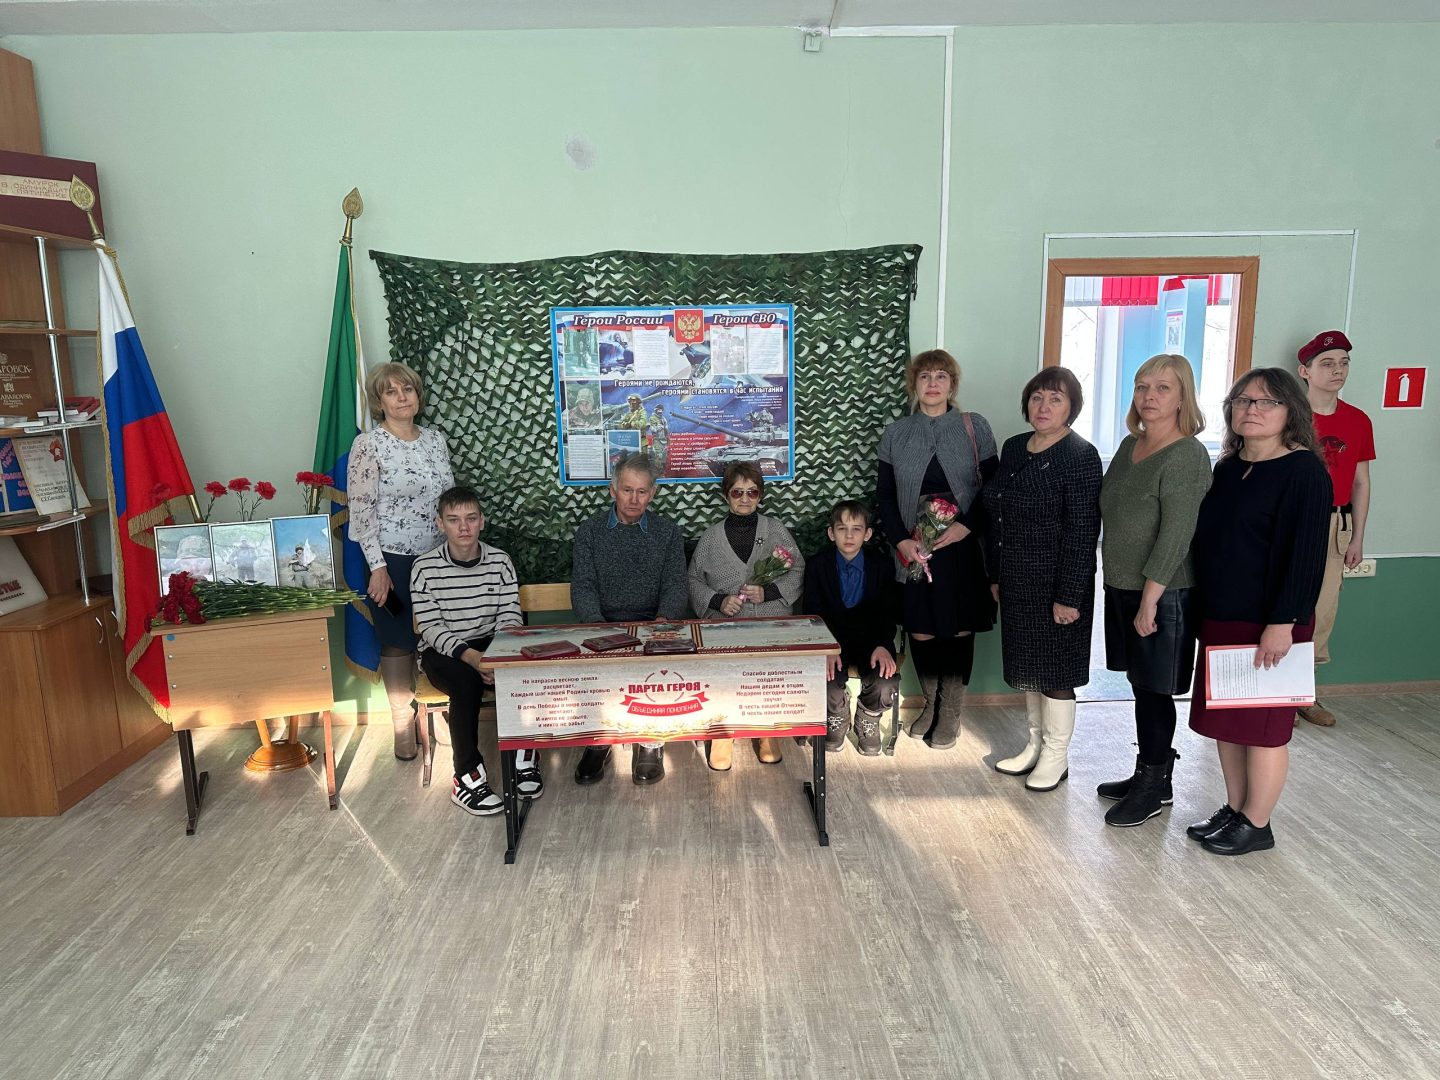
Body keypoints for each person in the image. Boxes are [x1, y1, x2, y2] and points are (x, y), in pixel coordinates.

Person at [1186, 368, 1331, 856]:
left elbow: (1306, 557)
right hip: (1224, 615)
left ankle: (1257, 823)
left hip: (1272, 623)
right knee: (1229, 725)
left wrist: (1282, 623)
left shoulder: (1304, 472)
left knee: (1265, 731)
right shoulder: (1228, 468)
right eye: (1243, 400)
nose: (1252, 409)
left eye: (1267, 402)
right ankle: (1235, 809)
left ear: (1292, 411)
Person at [1095, 355, 1212, 826]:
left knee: (1156, 690)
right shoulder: (1131, 445)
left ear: (1183, 397)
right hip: (1123, 585)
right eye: (1142, 386)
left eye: (1163, 388)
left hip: (1165, 593)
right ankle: (1152, 774)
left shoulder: (1187, 455)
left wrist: (1150, 600)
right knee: (1140, 686)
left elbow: (1176, 534)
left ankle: (1152, 785)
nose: (1149, 396)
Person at [982, 367, 1102, 792]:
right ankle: (1034, 745)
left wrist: (1069, 596)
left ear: (1072, 407)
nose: (1044, 406)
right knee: (1028, 668)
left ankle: (1056, 754)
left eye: (1055, 398)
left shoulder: (1081, 455)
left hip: (1058, 585)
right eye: (1037, 397)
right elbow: (997, 515)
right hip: (1016, 579)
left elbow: (1083, 532)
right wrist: (996, 574)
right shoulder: (1016, 447)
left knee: (1056, 673)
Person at [876, 349, 997, 751]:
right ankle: (931, 705)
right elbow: (885, 496)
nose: (932, 383)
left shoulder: (974, 426)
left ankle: (951, 712)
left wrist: (966, 526)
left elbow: (993, 487)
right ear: (914, 383)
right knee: (921, 628)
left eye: (941, 376)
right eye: (924, 376)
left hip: (962, 547)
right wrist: (901, 540)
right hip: (915, 546)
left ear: (952, 384)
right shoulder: (896, 433)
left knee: (958, 628)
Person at [348, 361, 455, 760]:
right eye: (391, 392)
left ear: (417, 395)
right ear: (379, 402)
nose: (401, 397)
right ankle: (401, 724)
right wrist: (377, 567)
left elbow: (447, 500)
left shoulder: (435, 440)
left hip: (439, 560)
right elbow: (361, 512)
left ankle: (443, 714)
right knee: (398, 641)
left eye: (407, 389)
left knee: (439, 634)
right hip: (391, 561)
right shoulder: (369, 445)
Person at [410, 486, 531, 816]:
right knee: (466, 682)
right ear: (440, 524)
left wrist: (497, 658)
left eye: (471, 518)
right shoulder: (424, 568)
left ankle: (525, 759)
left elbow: (509, 616)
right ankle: (467, 778)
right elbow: (431, 628)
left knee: (524, 671)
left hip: (492, 643)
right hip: (443, 651)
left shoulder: (500, 561)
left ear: (482, 521)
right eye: (453, 520)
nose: (463, 527)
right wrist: (473, 659)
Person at [571, 453, 689, 785]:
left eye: (641, 491)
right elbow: (583, 585)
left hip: (653, 623)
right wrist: (598, 625)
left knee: (659, 666)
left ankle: (650, 742)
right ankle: (599, 740)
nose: (634, 499)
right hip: (603, 622)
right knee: (594, 668)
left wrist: (663, 622)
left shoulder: (667, 532)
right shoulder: (590, 532)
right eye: (627, 490)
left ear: (652, 493)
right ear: (613, 490)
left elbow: (676, 584)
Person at [687, 461, 805, 769]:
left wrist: (770, 592)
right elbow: (693, 579)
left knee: (769, 674)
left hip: (770, 622)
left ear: (760, 496)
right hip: (725, 626)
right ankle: (723, 732)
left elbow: (798, 569)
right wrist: (718, 600)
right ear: (726, 495)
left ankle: (767, 731)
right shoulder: (711, 537)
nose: (744, 498)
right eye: (737, 491)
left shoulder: (776, 530)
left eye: (752, 492)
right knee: (724, 673)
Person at [1295, 330, 1376, 727]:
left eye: (1343, 363)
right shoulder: (1289, 416)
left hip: (1335, 524)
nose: (1337, 370)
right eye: (1327, 363)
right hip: (1294, 520)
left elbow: (1361, 482)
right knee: (1284, 605)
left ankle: (1304, 695)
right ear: (1305, 371)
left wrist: (1357, 536)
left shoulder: (1358, 420)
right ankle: (1274, 696)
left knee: (1322, 609)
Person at [802, 500, 900, 755]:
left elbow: (888, 611)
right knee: (826, 679)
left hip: (873, 642)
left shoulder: (882, 565)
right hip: (833, 642)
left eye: (856, 529)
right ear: (831, 533)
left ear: (867, 534)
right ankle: (837, 714)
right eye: (842, 528)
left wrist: (883, 644)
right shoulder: (817, 565)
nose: (849, 535)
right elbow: (813, 612)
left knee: (885, 680)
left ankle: (868, 717)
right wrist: (826, 647)